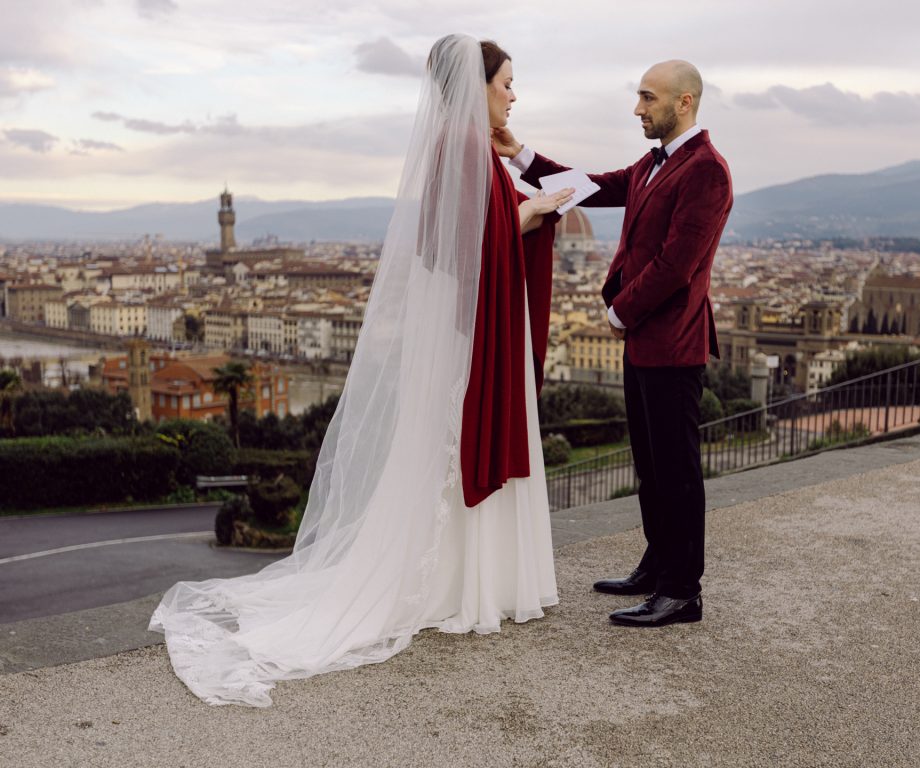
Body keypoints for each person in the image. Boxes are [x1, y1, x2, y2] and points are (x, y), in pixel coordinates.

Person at [149, 34, 573, 707]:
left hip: (471, 327)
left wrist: (519, 188)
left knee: (440, 447)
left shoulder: (457, 148)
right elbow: (473, 244)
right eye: (508, 83)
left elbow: (458, 243)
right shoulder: (464, 151)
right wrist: (535, 211)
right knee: (457, 443)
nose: (514, 95)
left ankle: (467, 581)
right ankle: (471, 585)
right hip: (478, 330)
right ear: (477, 85)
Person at [494, 59, 732, 627]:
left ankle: (681, 590)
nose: (638, 108)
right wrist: (519, 152)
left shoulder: (706, 171)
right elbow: (590, 188)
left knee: (677, 468)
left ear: (684, 103)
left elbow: (678, 264)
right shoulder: (655, 165)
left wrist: (620, 312)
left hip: (673, 343)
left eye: (648, 98)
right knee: (651, 464)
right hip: (645, 341)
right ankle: (657, 564)